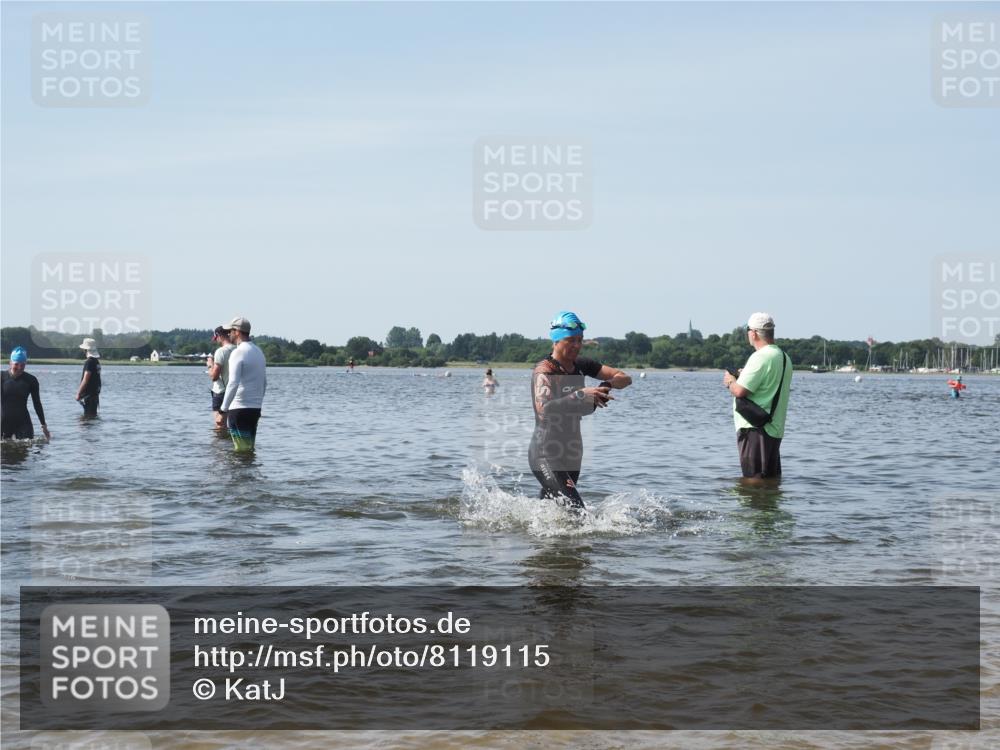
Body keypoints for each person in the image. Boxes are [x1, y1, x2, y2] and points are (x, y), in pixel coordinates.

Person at [529, 311, 632, 510]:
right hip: (546, 452)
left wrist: (606, 385)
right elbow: (544, 409)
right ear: (556, 341)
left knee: (553, 509)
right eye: (570, 340)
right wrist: (579, 395)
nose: (576, 345)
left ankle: (534, 535)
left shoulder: (582, 365)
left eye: (580, 340)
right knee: (577, 510)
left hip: (573, 452)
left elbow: (625, 378)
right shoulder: (545, 371)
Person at [722, 312, 792, 480]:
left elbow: (739, 391)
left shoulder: (761, 357)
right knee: (770, 481)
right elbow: (767, 385)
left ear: (753, 333)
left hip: (755, 429)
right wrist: (743, 375)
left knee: (753, 481)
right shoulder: (784, 357)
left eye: (748, 330)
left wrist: (731, 381)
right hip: (774, 429)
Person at [220, 316, 266, 452]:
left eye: (231, 331)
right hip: (255, 409)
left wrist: (223, 409)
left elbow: (233, 383)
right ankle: (250, 473)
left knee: (241, 451)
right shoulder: (259, 352)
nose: (229, 334)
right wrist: (258, 403)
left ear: (237, 332)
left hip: (239, 409)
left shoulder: (238, 352)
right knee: (249, 449)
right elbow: (264, 383)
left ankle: (241, 473)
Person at [1, 347, 50, 440]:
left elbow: (37, 404)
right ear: (10, 363)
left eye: (22, 365)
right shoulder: (1, 377)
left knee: (26, 449)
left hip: (23, 423)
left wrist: (44, 425)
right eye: (16, 364)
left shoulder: (31, 380)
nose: (19, 368)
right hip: (3, 422)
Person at [209, 325, 236, 429]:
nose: (216, 341)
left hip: (220, 392)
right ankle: (228, 444)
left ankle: (219, 445)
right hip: (234, 391)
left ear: (219, 336)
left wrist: (210, 364)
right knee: (232, 424)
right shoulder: (237, 349)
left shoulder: (221, 351)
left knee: (219, 425)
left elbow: (214, 377)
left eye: (216, 338)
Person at [75, 337, 102, 417]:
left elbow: (86, 378)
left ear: (86, 350)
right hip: (95, 394)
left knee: (86, 421)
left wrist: (78, 393)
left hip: (88, 395)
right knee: (92, 417)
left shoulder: (89, 362)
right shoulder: (96, 362)